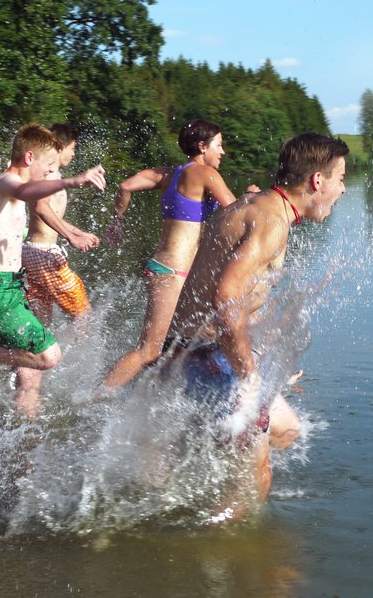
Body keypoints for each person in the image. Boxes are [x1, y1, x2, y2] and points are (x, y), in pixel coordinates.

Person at [161, 132, 349, 506]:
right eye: (340, 180)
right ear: (317, 181)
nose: (342, 191)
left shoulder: (258, 204)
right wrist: (249, 372)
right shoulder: (272, 224)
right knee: (254, 483)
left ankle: (191, 464)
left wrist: (261, 362)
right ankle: (216, 554)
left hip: (190, 352)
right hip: (207, 360)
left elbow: (237, 304)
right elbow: (226, 300)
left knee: (286, 429)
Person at [0, 123, 105, 417]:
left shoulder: (9, 191)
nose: (49, 172)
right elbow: (27, 189)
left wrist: (71, 234)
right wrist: (73, 181)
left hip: (6, 288)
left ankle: (22, 414)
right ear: (29, 158)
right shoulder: (6, 183)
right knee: (48, 355)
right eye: (48, 166)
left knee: (31, 360)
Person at [102, 119, 250, 392]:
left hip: (168, 270)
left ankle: (164, 399)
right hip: (173, 274)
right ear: (203, 146)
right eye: (219, 145)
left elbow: (125, 186)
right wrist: (254, 196)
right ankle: (94, 399)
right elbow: (235, 210)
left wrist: (116, 222)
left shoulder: (168, 175)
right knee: (149, 350)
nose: (223, 152)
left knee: (196, 339)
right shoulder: (206, 174)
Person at [21, 123, 99, 324]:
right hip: (44, 253)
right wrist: (71, 238)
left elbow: (50, 215)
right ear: (60, 147)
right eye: (73, 148)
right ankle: (81, 356)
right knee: (83, 314)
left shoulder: (43, 175)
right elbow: (41, 207)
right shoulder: (52, 175)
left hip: (31, 252)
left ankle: (34, 354)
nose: (73, 154)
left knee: (41, 321)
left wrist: (80, 232)